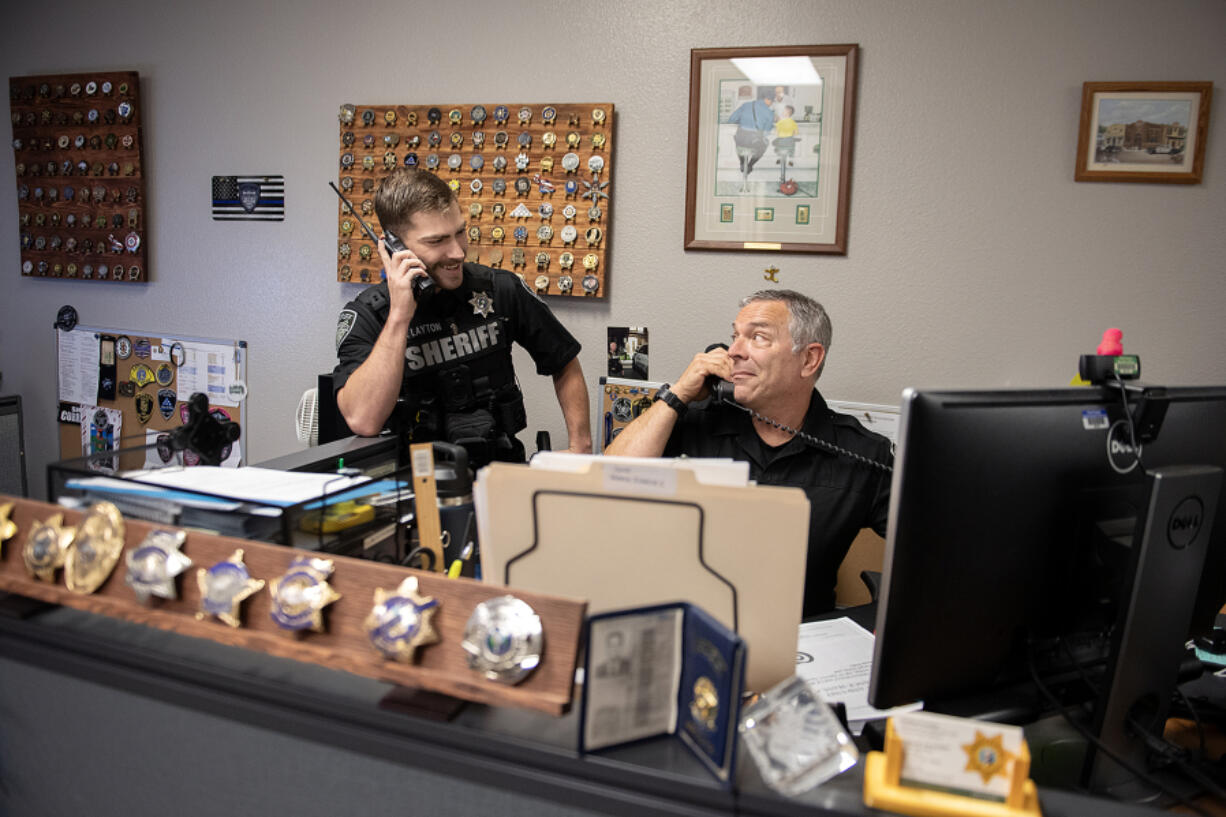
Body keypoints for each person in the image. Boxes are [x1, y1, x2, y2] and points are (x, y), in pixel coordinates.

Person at [604, 290, 892, 617]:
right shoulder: (698, 422)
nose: (733, 352)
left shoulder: (861, 452)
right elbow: (610, 481)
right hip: (690, 625)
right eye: (734, 337)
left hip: (803, 640)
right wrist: (679, 394)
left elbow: (937, 549)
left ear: (810, 359)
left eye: (757, 337)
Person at [333, 167, 592, 465]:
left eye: (459, 232)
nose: (457, 252)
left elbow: (564, 361)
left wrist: (580, 447)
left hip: (500, 471)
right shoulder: (368, 315)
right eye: (437, 241)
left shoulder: (500, 289)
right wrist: (399, 316)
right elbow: (364, 420)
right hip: (413, 483)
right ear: (395, 246)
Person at [727, 87, 775, 175]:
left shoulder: (746, 105)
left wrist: (744, 121)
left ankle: (742, 162)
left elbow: (732, 119)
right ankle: (750, 164)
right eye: (772, 101)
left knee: (740, 144)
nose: (771, 103)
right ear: (767, 99)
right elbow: (766, 133)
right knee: (764, 144)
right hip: (754, 141)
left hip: (741, 139)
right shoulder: (770, 113)